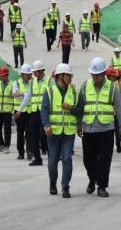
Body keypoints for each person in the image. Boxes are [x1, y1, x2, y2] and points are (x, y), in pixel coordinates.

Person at [76, 58, 121, 197]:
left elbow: (119, 108)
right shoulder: (85, 86)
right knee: (88, 159)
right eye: (93, 74)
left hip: (106, 129)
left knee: (105, 159)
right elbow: (80, 106)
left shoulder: (112, 87)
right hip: (89, 128)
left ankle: (102, 186)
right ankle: (92, 179)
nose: (95, 77)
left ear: (104, 73)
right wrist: (79, 124)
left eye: (97, 74)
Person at [42, 63, 82, 197]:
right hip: (53, 132)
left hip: (69, 132)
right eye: (68, 75)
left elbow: (79, 111)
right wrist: (46, 125)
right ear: (60, 76)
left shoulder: (74, 92)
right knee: (52, 161)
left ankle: (65, 187)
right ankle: (52, 183)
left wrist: (70, 108)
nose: (71, 78)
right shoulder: (49, 91)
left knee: (66, 159)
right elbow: (44, 110)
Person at [16, 60, 49, 165]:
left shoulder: (49, 81)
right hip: (35, 112)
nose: (33, 74)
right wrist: (20, 110)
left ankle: (51, 154)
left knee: (45, 135)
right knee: (33, 136)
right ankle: (37, 158)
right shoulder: (33, 82)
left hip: (45, 112)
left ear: (40, 71)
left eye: (34, 71)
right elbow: (27, 97)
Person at [13, 64, 33, 161]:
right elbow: (16, 94)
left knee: (29, 132)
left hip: (29, 111)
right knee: (20, 133)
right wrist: (26, 94)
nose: (30, 76)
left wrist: (23, 94)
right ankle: (21, 153)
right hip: (19, 112)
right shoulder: (16, 83)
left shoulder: (32, 83)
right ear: (22, 74)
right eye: (28, 74)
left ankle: (29, 151)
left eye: (30, 74)